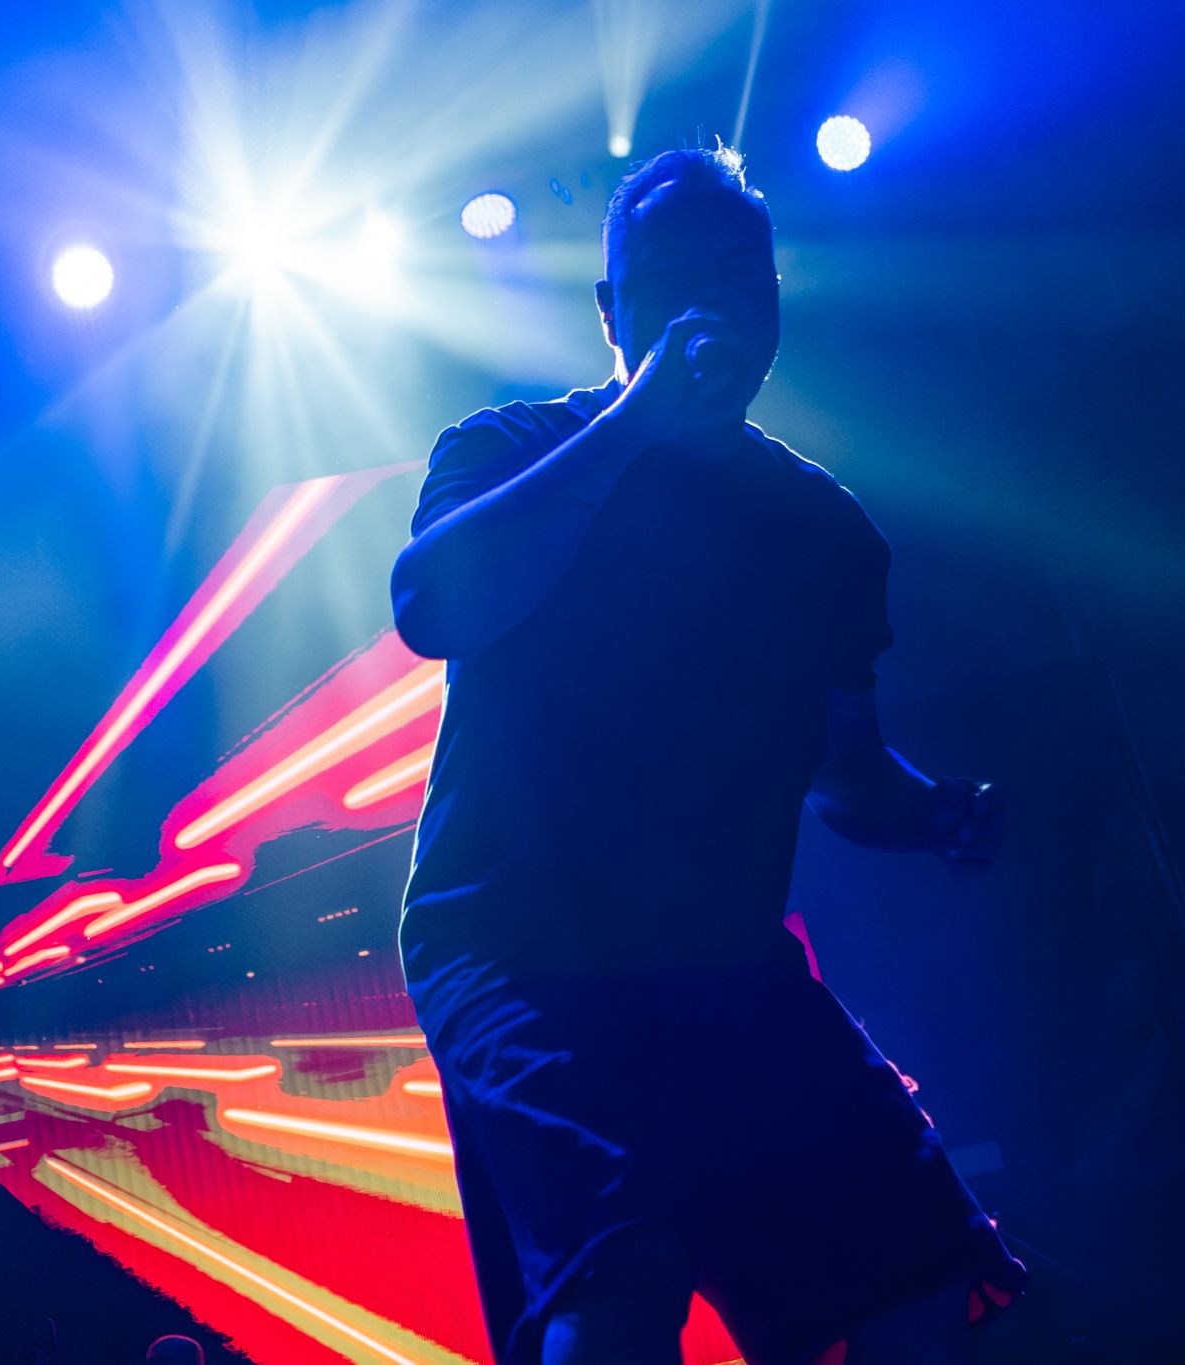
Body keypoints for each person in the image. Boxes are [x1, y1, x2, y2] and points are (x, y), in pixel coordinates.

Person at [389, 144, 1026, 1365]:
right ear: (610, 310)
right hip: (519, 946)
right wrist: (635, 424)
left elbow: (846, 774)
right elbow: (431, 606)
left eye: (737, 273)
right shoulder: (509, 448)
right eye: (672, 276)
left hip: (718, 960)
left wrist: (928, 810)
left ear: (775, 299)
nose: (710, 302)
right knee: (616, 1269)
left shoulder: (824, 532)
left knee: (923, 1289)